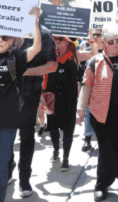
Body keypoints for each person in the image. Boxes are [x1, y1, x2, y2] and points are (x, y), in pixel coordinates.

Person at [0, 7, 42, 202]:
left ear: (12, 40)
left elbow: (36, 48)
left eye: (5, 37)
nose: (0, 40)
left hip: (7, 122)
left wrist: (35, 21)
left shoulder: (16, 58)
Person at [77, 23, 118, 201]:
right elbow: (86, 85)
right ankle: (102, 185)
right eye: (110, 41)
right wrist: (80, 109)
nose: (114, 44)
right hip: (103, 115)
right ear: (103, 41)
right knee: (107, 151)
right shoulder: (94, 61)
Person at [6, 13, 58, 198]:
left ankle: (24, 180)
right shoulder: (3, 30)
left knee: (27, 137)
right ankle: (8, 170)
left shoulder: (43, 34)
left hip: (29, 94)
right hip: (4, 96)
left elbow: (52, 65)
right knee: (6, 137)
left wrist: (25, 72)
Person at [44, 32, 98, 172]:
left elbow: (95, 55)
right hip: (50, 96)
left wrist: (91, 37)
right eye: (54, 38)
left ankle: (66, 157)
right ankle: (56, 151)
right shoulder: (49, 53)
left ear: (68, 41)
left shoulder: (76, 55)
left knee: (68, 128)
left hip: (69, 97)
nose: (57, 41)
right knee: (53, 127)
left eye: (60, 38)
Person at [80, 29, 105, 152]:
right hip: (91, 87)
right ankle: (87, 139)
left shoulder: (111, 50)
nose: (95, 36)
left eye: (98, 34)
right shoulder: (86, 50)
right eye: (94, 34)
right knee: (88, 113)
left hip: (106, 88)